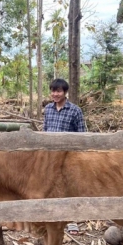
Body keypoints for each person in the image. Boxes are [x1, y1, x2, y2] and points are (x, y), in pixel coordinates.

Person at [43, 78, 87, 235]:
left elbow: (82, 135)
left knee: (69, 188)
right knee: (50, 187)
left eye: (58, 91)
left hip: (69, 158)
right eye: (53, 91)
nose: (55, 94)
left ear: (65, 92)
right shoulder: (48, 109)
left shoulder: (75, 110)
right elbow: (45, 131)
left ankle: (72, 221)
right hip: (49, 157)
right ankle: (51, 217)